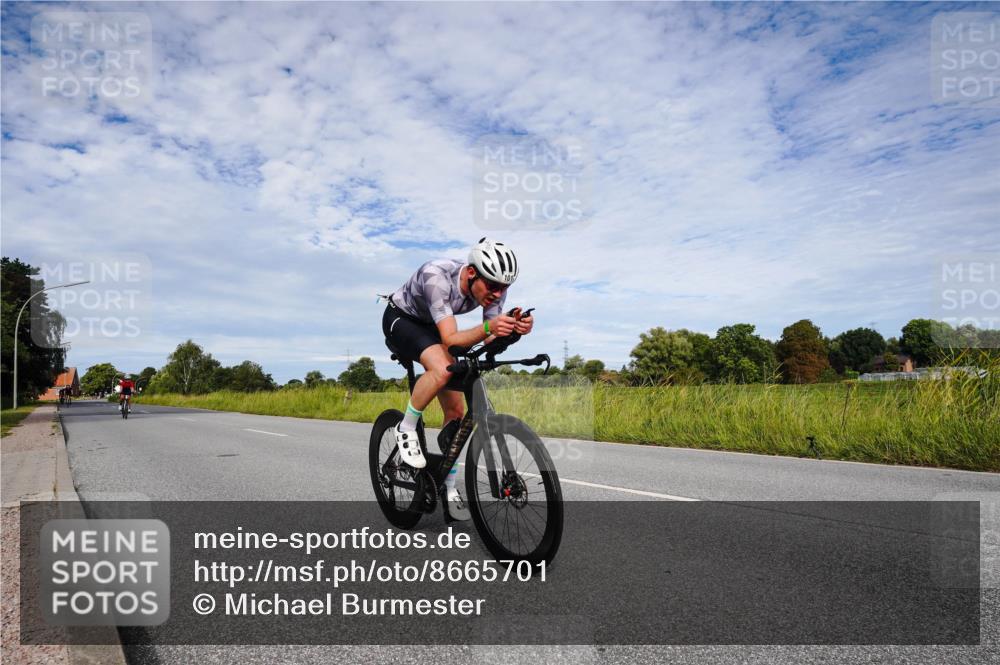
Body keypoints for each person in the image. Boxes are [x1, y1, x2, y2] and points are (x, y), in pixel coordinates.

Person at [382, 238, 533, 520]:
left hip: (434, 325)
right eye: (493, 286)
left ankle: (448, 487)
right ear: (472, 273)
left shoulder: (494, 290)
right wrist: (489, 326)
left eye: (504, 288)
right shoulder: (436, 276)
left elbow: (489, 338)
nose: (498, 294)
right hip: (401, 320)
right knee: (442, 369)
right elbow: (452, 340)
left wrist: (514, 330)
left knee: (456, 412)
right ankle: (406, 427)